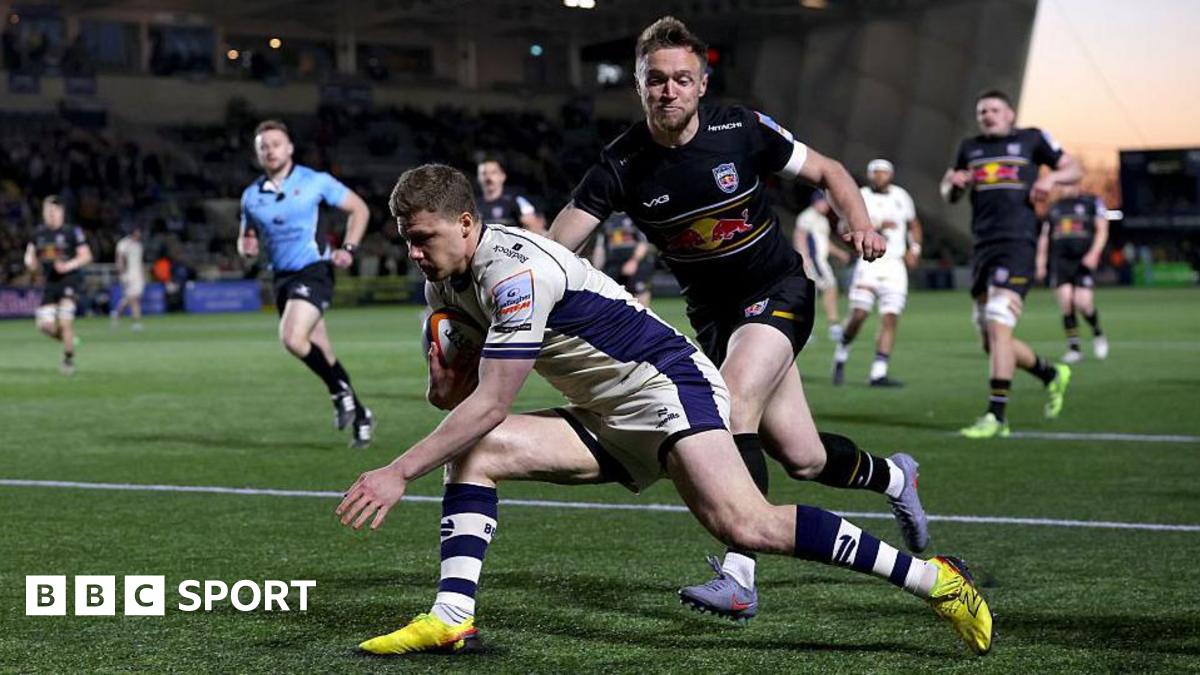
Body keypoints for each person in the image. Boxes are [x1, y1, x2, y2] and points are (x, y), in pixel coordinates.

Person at [336, 163, 992, 657]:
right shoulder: (442, 281)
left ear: (467, 224)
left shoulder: (514, 272)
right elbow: (459, 397)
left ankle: (934, 581)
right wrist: (443, 377)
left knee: (747, 526)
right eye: (408, 239)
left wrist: (397, 470)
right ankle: (453, 616)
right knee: (476, 452)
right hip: (603, 410)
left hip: (668, 387)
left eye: (425, 237)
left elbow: (493, 402)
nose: (415, 251)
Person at [547, 16, 929, 622]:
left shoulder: (741, 128)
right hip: (718, 317)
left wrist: (858, 221)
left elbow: (829, 170)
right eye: (656, 80)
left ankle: (740, 574)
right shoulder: (620, 165)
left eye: (681, 78)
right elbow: (556, 247)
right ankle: (893, 478)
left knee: (732, 402)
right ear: (640, 88)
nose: (669, 89)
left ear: (701, 84)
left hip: (778, 290)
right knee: (802, 457)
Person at [941, 89, 1082, 439]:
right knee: (992, 341)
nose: (987, 114)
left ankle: (996, 416)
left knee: (999, 323)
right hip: (983, 247)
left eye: (994, 109)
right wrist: (953, 184)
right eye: (982, 110)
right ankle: (1051, 374)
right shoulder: (969, 148)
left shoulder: (1032, 139)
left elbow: (1074, 168)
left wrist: (1049, 178)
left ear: (1010, 114)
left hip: (1018, 244)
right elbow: (949, 191)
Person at [238, 119, 376, 448]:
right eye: (263, 146)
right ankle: (360, 414)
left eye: (275, 143)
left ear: (289, 148)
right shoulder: (250, 196)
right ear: (258, 155)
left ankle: (337, 391)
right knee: (322, 352)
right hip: (281, 278)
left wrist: (349, 248)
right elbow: (245, 240)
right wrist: (246, 247)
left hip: (314, 270)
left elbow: (359, 208)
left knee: (291, 338)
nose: (270, 150)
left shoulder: (315, 181)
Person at [832, 159, 922, 387]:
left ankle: (878, 373)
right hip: (869, 262)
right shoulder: (860, 195)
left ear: (891, 175)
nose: (880, 177)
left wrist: (915, 249)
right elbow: (843, 227)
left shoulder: (902, 196)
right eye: (876, 173)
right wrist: (876, 225)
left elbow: (914, 225)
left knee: (890, 317)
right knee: (859, 314)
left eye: (884, 173)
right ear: (870, 175)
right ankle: (842, 350)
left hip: (895, 265)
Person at [1037, 186, 1109, 362]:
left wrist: (1094, 253)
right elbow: (1045, 236)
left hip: (1082, 260)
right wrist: (1040, 262)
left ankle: (1098, 333)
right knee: (1066, 302)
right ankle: (1074, 348)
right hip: (1060, 262)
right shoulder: (1055, 206)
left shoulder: (1092, 202)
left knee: (1083, 303)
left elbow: (1102, 230)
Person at [24, 195, 91, 375]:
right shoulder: (38, 233)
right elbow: (30, 255)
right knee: (44, 326)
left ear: (61, 212)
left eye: (54, 211)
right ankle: (69, 340)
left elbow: (86, 255)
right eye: (48, 211)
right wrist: (30, 263)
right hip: (49, 283)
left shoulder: (72, 232)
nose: (51, 214)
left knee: (65, 321)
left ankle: (68, 359)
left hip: (69, 282)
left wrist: (68, 265)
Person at [794, 192, 849, 342]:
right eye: (824, 202)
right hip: (814, 261)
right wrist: (804, 259)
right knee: (824, 290)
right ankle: (831, 326)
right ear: (816, 202)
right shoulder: (807, 216)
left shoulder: (822, 220)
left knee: (822, 291)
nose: (826, 205)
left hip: (821, 261)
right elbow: (800, 237)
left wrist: (839, 253)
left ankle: (824, 327)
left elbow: (824, 242)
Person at [592, 211, 654, 305]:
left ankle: (642, 316)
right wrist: (596, 269)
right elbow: (600, 247)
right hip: (614, 262)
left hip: (637, 261)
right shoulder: (606, 219)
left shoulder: (634, 217)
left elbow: (643, 243)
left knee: (639, 289)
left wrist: (634, 261)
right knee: (612, 292)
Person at [477, 157, 545, 234]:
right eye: (484, 173)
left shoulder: (517, 200)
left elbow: (535, 225)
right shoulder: (475, 205)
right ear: (478, 177)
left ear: (503, 176)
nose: (488, 177)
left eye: (493, 172)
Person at [111, 227, 145, 331]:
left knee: (129, 298)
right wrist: (122, 274)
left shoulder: (139, 245)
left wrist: (143, 274)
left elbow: (139, 261)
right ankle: (136, 322)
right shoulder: (124, 244)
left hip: (138, 275)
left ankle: (116, 314)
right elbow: (120, 259)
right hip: (128, 274)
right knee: (134, 299)